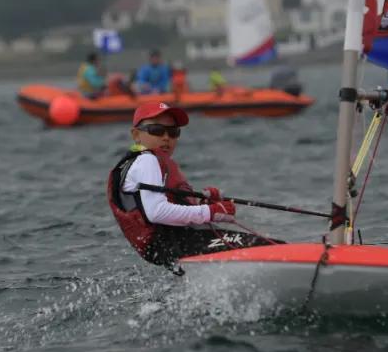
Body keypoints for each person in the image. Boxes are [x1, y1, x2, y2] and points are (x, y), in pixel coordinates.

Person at [106, 101, 276, 268]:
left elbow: (159, 206)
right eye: (156, 130)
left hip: (165, 244)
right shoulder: (147, 160)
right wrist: (209, 212)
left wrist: (202, 204)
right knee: (272, 248)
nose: (166, 137)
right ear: (136, 135)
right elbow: (156, 212)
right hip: (172, 241)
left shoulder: (139, 162)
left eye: (173, 132)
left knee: (262, 245)